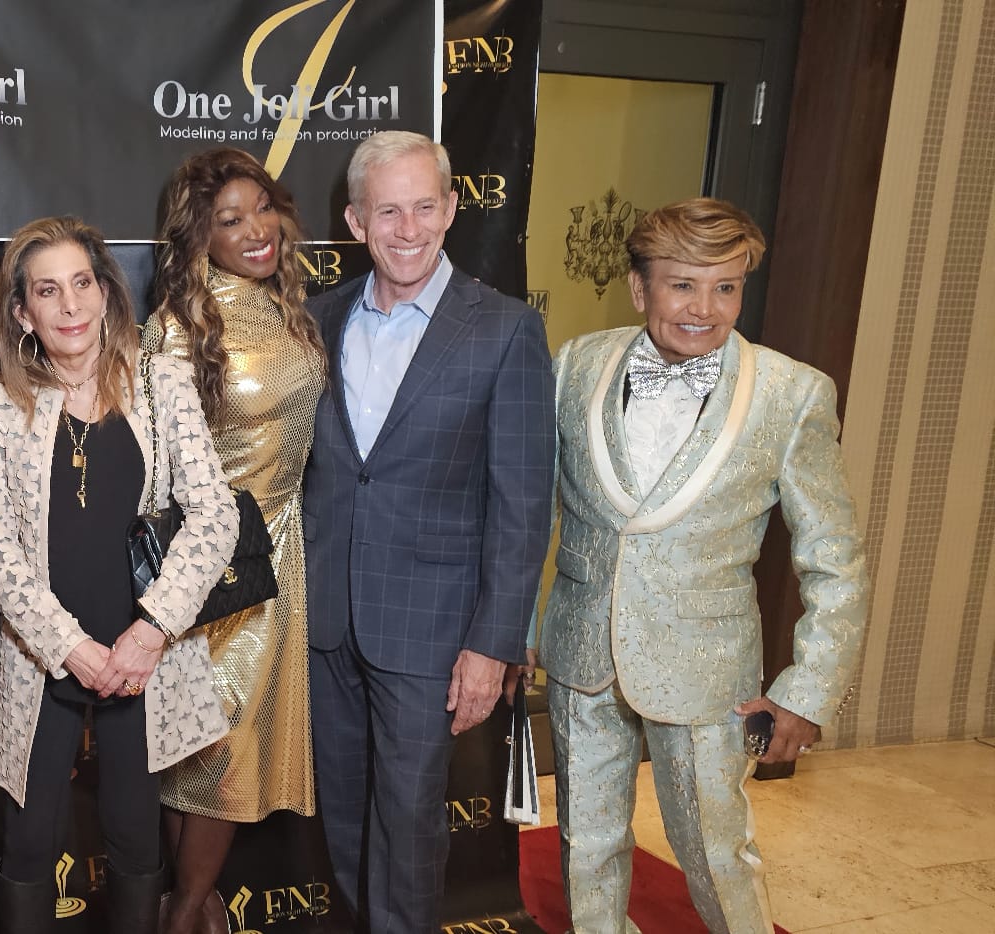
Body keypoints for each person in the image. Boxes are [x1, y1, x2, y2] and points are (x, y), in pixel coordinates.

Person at [539, 198, 870, 934]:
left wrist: (809, 691)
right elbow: (535, 512)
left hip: (707, 672)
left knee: (717, 853)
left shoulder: (792, 393)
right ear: (640, 288)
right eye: (683, 285)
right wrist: (516, 633)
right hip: (581, 653)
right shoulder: (575, 365)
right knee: (585, 845)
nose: (705, 309)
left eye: (726, 287)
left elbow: (835, 559)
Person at [301, 129, 555, 934]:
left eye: (422, 207)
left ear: (450, 209)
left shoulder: (505, 329)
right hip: (326, 622)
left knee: (408, 828)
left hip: (433, 633)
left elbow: (523, 505)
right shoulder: (316, 319)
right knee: (344, 818)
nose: (407, 229)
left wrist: (494, 643)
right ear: (355, 221)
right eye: (387, 211)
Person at [0, 215, 238, 934]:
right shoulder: (0, 402)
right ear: (22, 312)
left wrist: (150, 633)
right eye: (47, 291)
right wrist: (69, 647)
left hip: (144, 659)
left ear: (104, 291)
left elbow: (216, 514)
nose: (70, 306)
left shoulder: (161, 380)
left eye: (82, 283)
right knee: (28, 841)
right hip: (43, 659)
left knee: (135, 834)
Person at [142, 147, 327, 934]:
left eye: (263, 209)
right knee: (210, 754)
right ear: (198, 238)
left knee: (213, 753)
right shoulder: (177, 328)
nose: (257, 231)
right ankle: (189, 912)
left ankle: (190, 907)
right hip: (215, 570)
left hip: (283, 551)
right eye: (230, 220)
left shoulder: (288, 304)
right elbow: (154, 470)